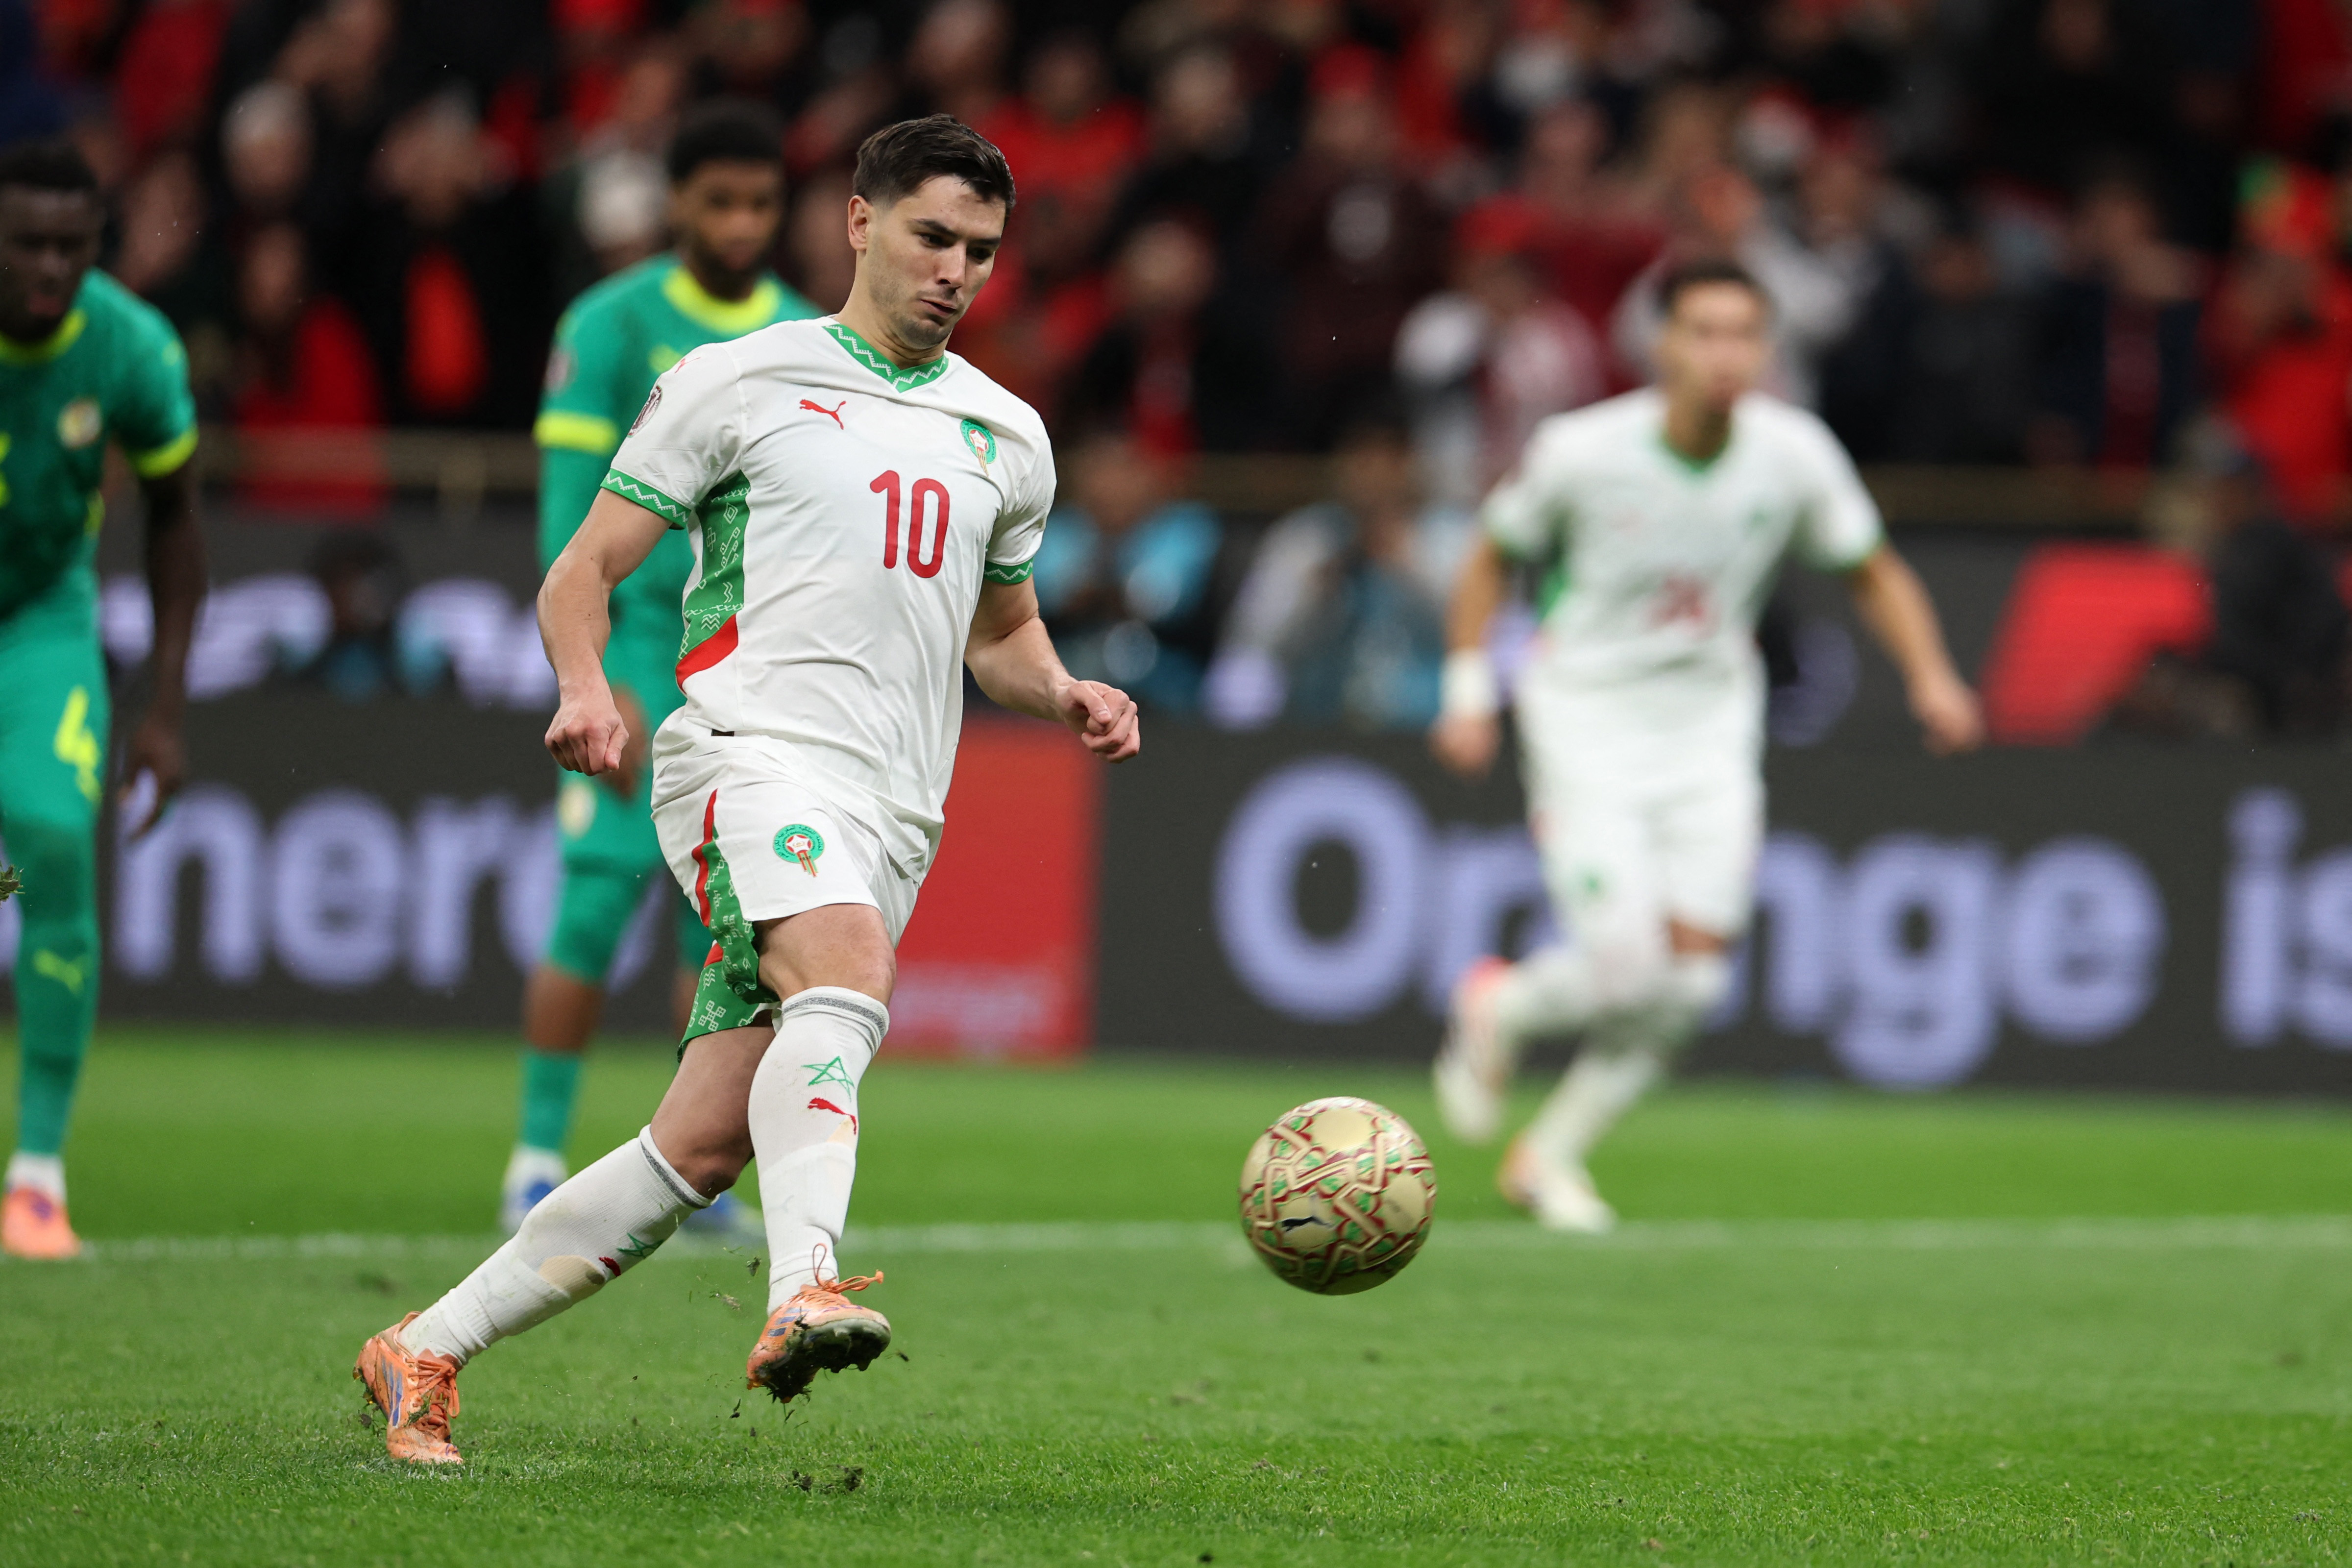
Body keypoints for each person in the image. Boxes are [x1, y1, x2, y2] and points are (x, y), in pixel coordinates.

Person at [352, 115, 1140, 1466]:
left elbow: (999, 635)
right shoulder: (739, 380)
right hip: (739, 753)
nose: (957, 270)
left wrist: (1063, 689)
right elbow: (580, 571)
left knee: (703, 1145)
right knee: (845, 963)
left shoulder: (1008, 435)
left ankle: (421, 1348)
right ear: (857, 223)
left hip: (895, 807)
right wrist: (586, 687)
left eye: (984, 251)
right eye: (932, 236)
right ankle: (805, 1288)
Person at [1429, 258, 1981, 1233]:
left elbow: (1874, 569)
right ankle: (1500, 1006)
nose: (1726, 354)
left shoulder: (1793, 453)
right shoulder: (1583, 451)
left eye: (1744, 334)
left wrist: (1933, 675)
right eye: (1705, 332)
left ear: (1766, 350)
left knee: (1693, 985)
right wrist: (1470, 692)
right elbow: (1488, 558)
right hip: (1587, 717)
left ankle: (1549, 1154)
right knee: (1624, 963)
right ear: (1662, 345)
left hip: (1710, 730)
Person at [505, 100, 820, 1240]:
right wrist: (583, 666)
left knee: (734, 927)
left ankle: (694, 1164)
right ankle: (536, 1155)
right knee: (597, 899)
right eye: (719, 201)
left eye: (759, 203)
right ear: (675, 203)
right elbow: (569, 519)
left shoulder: (805, 334)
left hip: (742, 657)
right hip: (635, 644)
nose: (740, 224)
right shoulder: (609, 322)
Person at [0, 137, 205, 1259]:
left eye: (68, 248)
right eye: (24, 242)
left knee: (47, 838)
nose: (46, 266)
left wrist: (164, 709)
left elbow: (177, 525)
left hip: (41, 620)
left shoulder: (129, 345)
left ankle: (34, 1174)